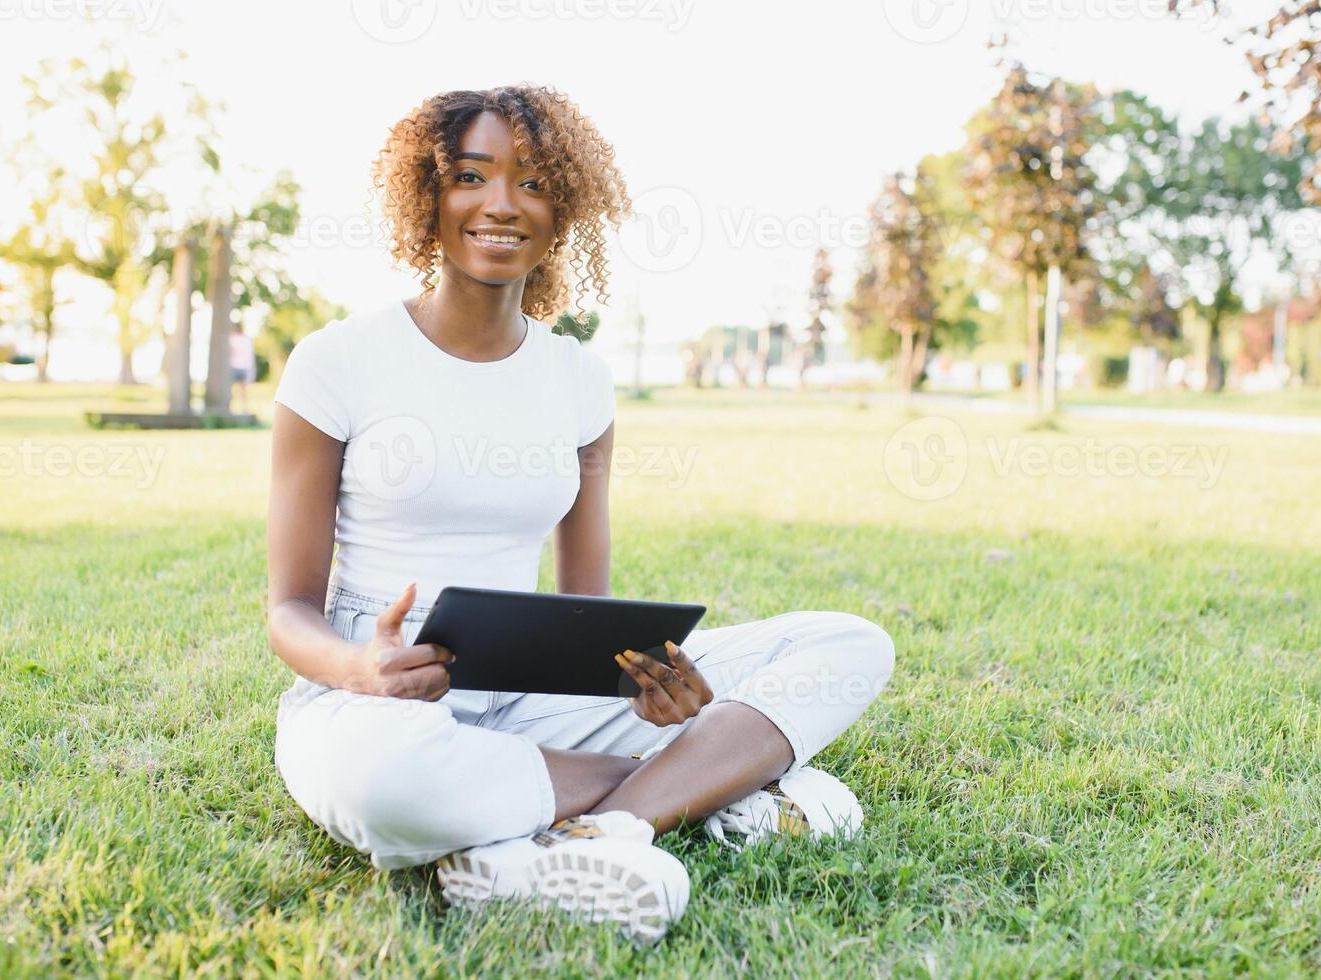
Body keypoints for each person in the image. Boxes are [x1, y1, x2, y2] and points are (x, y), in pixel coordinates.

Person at [265, 86, 895, 944]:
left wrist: (646, 687)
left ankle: (602, 829)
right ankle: (705, 785)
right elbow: (286, 610)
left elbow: (587, 619)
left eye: (531, 181)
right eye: (470, 177)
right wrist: (360, 668)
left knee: (850, 646)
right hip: (372, 705)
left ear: (565, 206)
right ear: (429, 197)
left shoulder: (579, 382)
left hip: (530, 699)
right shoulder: (336, 363)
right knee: (381, 783)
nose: (499, 204)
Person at [229, 323, 257, 414]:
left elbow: (230, 353)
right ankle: (245, 409)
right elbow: (250, 355)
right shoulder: (247, 339)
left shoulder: (232, 338)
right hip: (245, 367)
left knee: (231, 389)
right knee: (244, 391)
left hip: (234, 366)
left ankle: (230, 408)